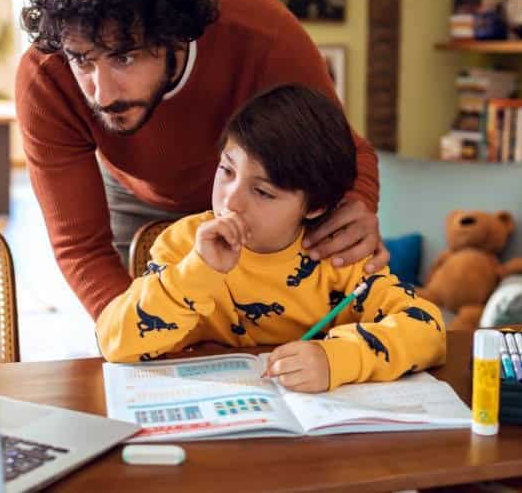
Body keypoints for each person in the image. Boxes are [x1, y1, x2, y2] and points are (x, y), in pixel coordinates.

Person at [16, 0, 386, 320]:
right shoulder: (45, 78)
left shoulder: (259, 31)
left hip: (256, 196)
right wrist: (135, 336)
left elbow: (342, 149)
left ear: (173, 34)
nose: (102, 94)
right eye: (83, 61)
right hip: (134, 198)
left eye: (125, 57)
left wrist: (356, 205)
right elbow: (82, 247)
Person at [95, 85, 446, 392]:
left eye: (262, 191)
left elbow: (428, 329)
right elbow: (113, 342)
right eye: (227, 170)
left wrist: (337, 359)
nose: (231, 200)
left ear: (315, 205)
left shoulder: (339, 256)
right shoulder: (183, 244)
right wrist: (196, 272)